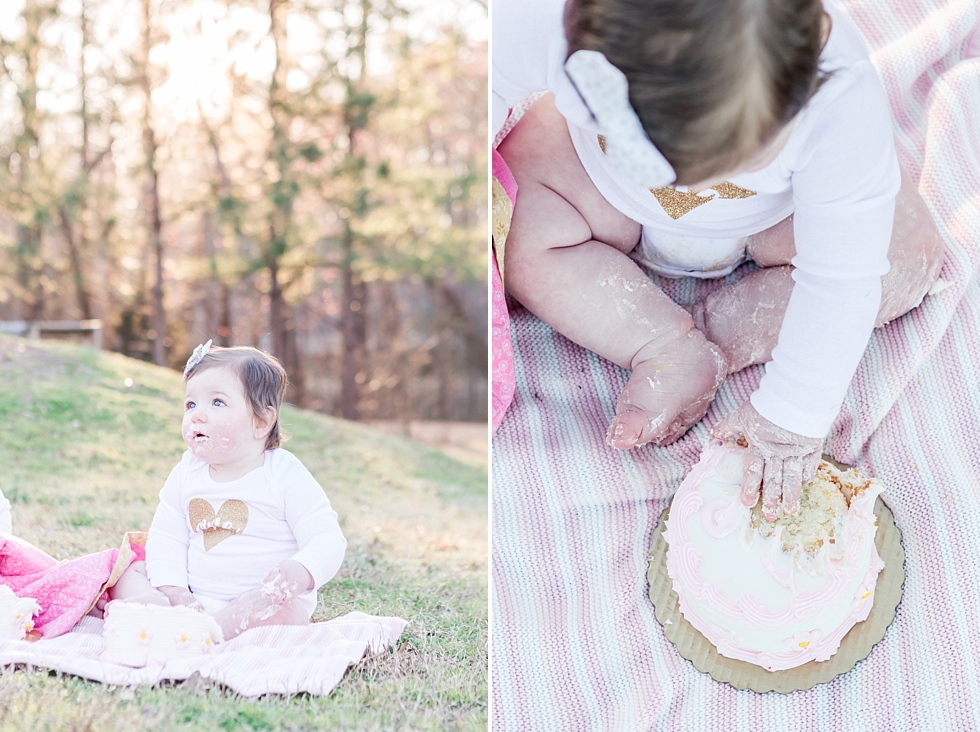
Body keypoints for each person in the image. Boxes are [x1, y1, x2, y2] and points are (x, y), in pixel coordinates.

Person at [493, 0, 943, 520]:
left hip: (772, 221)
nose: (685, 187)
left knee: (903, 253)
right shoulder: (537, 20)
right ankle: (661, 341)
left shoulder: (841, 96)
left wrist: (793, 414)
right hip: (599, 189)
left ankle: (720, 335)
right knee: (514, 218)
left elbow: (844, 277)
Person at [110, 341, 347, 641]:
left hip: (256, 603)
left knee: (284, 610)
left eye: (217, 402)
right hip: (193, 599)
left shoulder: (283, 474)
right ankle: (158, 612)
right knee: (131, 570)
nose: (196, 414)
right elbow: (167, 537)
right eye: (191, 404)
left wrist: (302, 570)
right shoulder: (187, 472)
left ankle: (206, 632)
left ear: (261, 421)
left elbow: (327, 537)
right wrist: (175, 592)